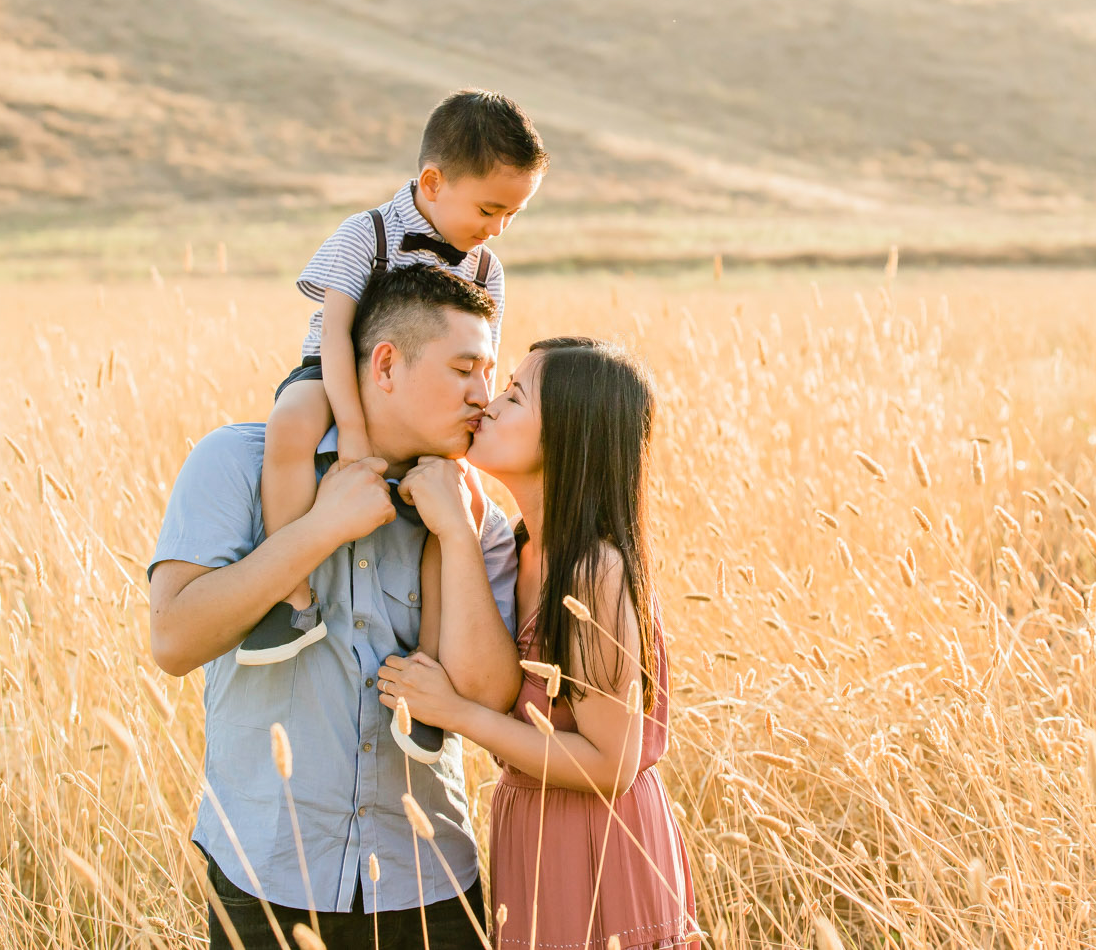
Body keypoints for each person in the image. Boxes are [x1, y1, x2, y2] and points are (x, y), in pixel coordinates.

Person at [148, 265, 522, 949]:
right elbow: (173, 640)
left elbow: (489, 695)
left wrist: (458, 536)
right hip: (266, 879)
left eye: (491, 371)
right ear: (385, 365)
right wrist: (319, 528)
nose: (484, 395)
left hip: (430, 883)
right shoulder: (238, 463)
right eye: (465, 367)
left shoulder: (474, 515)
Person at [377, 338, 700, 950]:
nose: (491, 405)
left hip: (600, 847)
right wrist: (454, 527)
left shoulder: (591, 573)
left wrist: (457, 715)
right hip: (534, 830)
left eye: (516, 395)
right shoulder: (520, 548)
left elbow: (611, 764)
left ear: (568, 436)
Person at [244, 89, 545, 678]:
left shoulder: (487, 269)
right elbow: (334, 335)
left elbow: (481, 356)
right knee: (290, 426)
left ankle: (430, 657)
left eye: (513, 215)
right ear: (432, 183)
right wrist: (351, 430)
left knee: (451, 492)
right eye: (488, 211)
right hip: (335, 371)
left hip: (423, 396)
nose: (499, 229)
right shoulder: (367, 234)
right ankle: (292, 594)